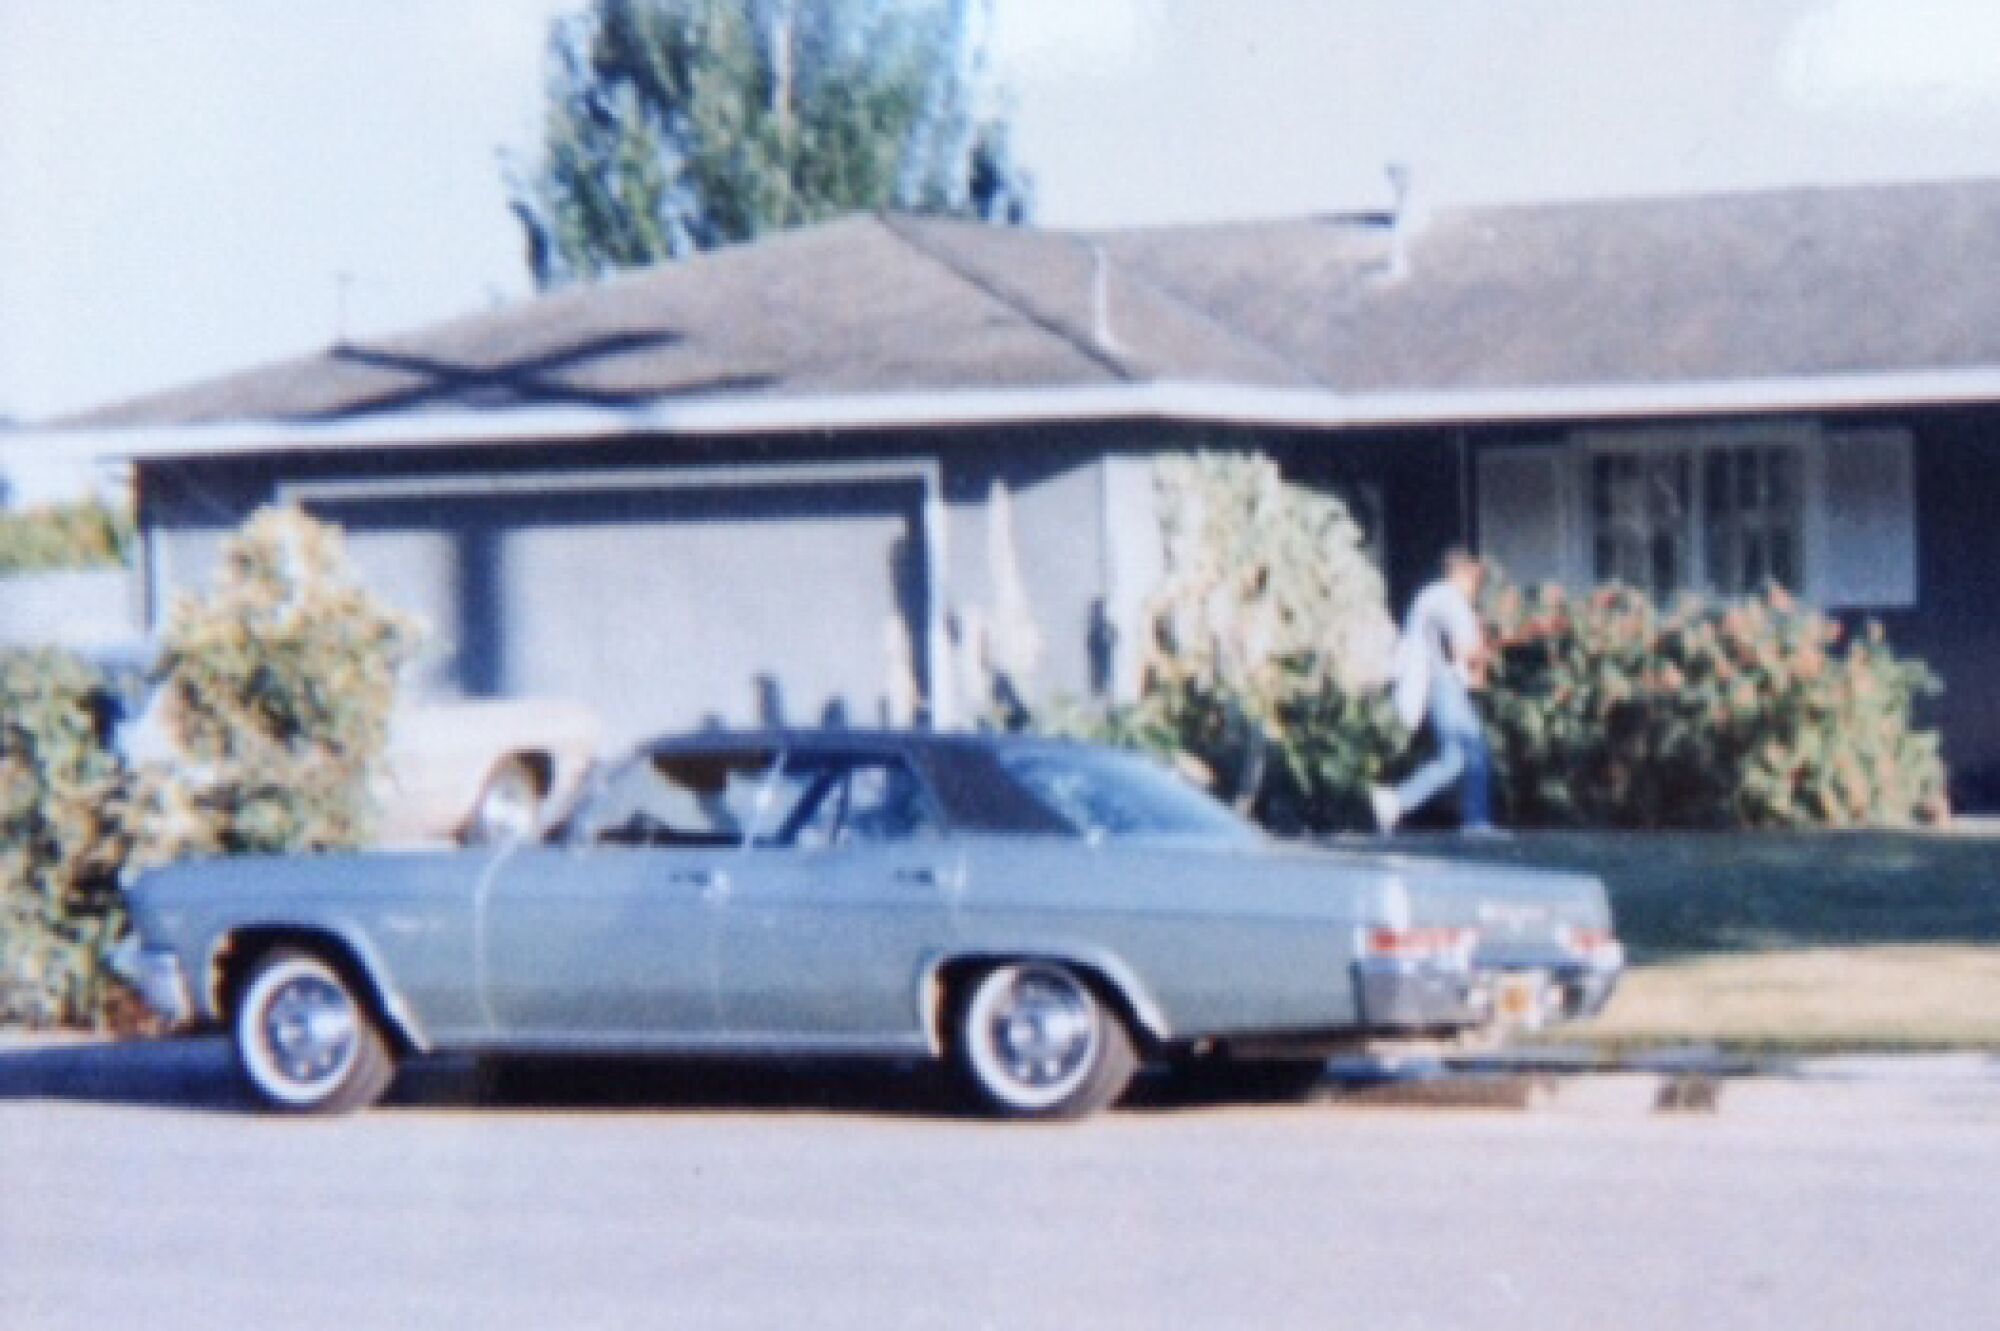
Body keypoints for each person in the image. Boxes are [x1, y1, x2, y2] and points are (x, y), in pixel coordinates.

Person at [1371, 548, 1498, 834]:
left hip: (1429, 682)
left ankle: (1397, 802)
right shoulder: (1452, 601)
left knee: (1457, 758)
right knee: (1472, 751)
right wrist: (1489, 649)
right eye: (1477, 580)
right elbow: (1462, 651)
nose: (1477, 589)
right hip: (1446, 684)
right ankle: (1475, 822)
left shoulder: (1427, 596)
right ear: (1464, 574)